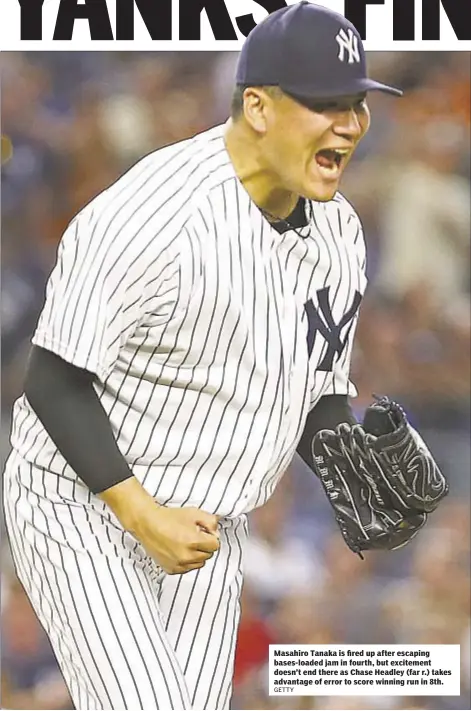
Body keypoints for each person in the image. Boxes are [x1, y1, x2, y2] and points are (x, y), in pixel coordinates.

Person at [3, 3, 404, 709]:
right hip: (83, 503)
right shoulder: (152, 214)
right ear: (256, 106)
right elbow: (53, 381)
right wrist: (139, 513)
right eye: (324, 105)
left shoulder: (338, 232)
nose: (348, 124)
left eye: (355, 105)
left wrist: (364, 483)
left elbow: (316, 393)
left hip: (209, 523)